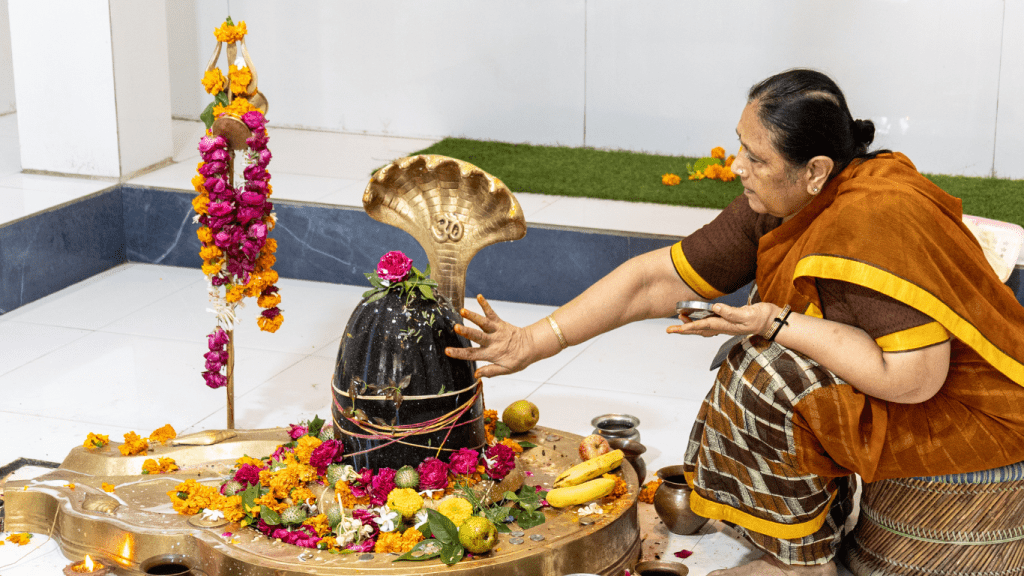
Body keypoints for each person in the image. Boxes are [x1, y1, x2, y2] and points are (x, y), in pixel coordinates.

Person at [444, 69, 1024, 575]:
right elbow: (655, 280)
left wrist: (773, 320)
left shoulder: (874, 217)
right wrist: (532, 340)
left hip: (973, 413)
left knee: (769, 371)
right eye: (739, 147)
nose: (737, 168)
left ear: (816, 169)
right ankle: (794, 532)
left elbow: (916, 378)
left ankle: (801, 564)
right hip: (906, 386)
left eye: (756, 157)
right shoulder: (786, 201)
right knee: (761, 355)